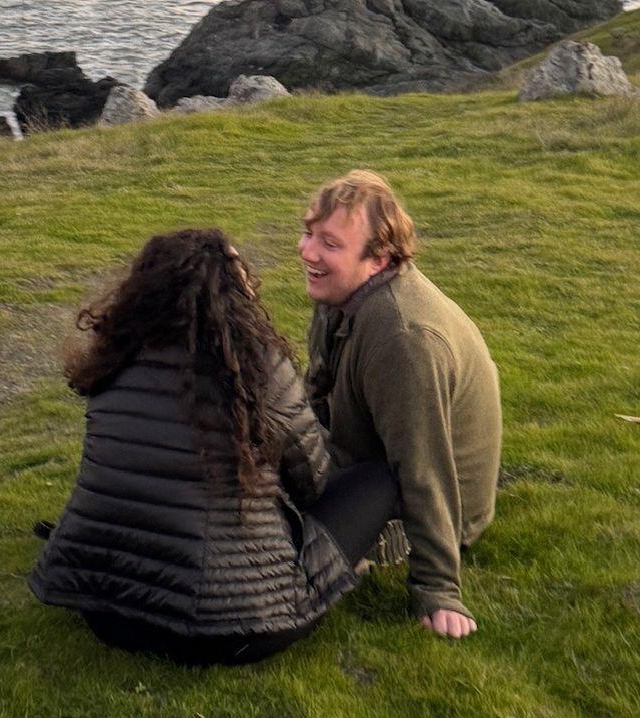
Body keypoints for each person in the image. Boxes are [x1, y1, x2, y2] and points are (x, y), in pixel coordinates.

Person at [28, 227, 400, 666]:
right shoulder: (260, 368)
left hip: (109, 613)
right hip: (236, 628)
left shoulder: (112, 360)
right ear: (236, 292)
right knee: (377, 479)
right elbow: (313, 481)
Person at [301, 171, 502, 640]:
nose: (308, 252)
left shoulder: (402, 339)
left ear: (378, 259)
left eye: (329, 243)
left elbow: (422, 466)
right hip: (371, 460)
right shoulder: (340, 291)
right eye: (309, 232)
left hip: (432, 509)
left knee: (283, 542)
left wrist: (437, 589)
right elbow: (319, 389)